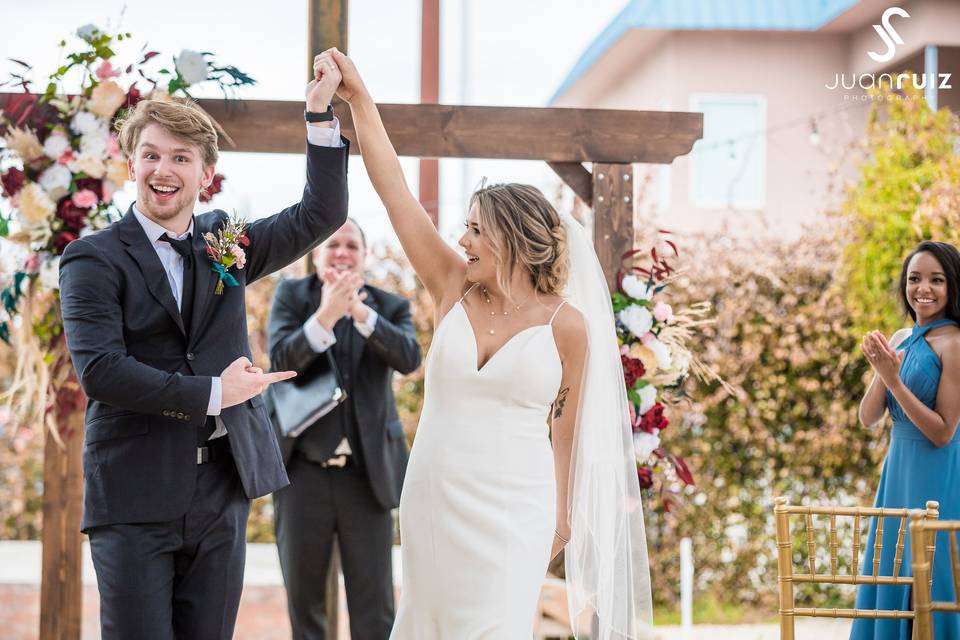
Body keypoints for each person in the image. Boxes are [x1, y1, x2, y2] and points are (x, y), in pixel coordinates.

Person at [325, 49, 654, 639]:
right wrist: (360, 102)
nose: (463, 239)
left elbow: (566, 428)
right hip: (434, 495)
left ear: (512, 238)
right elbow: (394, 191)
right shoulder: (451, 285)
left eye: (476, 229)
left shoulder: (568, 326)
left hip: (516, 507)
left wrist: (561, 516)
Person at [58, 53, 349, 640]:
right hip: (133, 494)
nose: (164, 171)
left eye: (181, 158)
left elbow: (322, 211)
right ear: (131, 163)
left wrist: (319, 113)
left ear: (205, 173)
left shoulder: (227, 242)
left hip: (221, 489)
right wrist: (217, 392)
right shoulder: (92, 258)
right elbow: (102, 372)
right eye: (152, 155)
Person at [268, 217, 421, 640]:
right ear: (315, 253)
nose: (342, 252)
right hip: (302, 474)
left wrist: (358, 313)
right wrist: (324, 316)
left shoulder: (388, 306)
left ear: (364, 256)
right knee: (305, 603)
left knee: (374, 609)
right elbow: (280, 362)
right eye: (333, 244)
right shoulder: (291, 296)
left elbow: (409, 358)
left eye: (352, 245)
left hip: (366, 477)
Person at [851, 241, 960, 640]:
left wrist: (894, 380)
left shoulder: (955, 344)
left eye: (936, 279)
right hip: (897, 476)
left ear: (952, 287)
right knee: (889, 572)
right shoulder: (899, 337)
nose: (923, 289)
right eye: (914, 279)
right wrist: (883, 371)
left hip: (939, 477)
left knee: (929, 582)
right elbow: (867, 417)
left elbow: (944, 431)